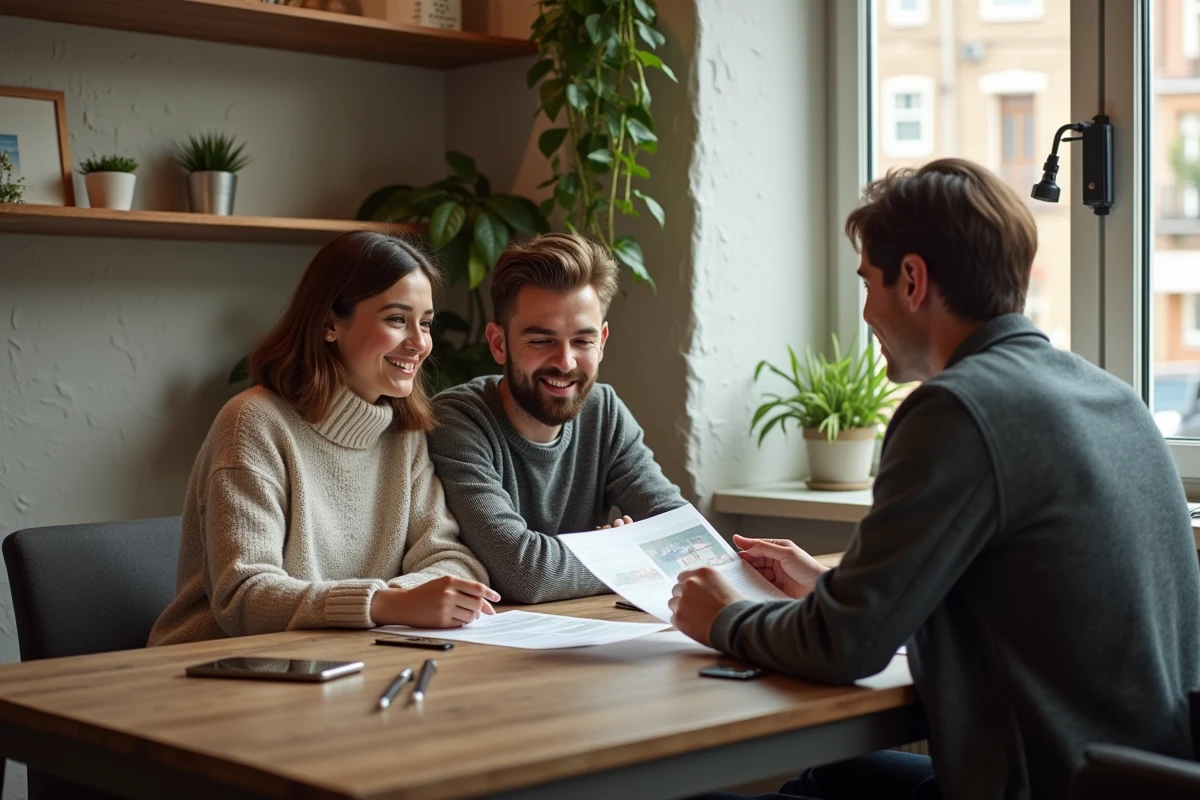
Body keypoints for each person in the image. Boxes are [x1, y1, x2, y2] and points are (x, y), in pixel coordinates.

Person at [668, 158, 1200, 800]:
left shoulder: (959, 409)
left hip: (1045, 788)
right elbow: (1020, 597)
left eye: (869, 283)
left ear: (913, 279)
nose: (865, 312)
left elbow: (845, 648)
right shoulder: (1113, 398)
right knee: (832, 779)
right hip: (1128, 782)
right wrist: (833, 588)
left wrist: (724, 616)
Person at [149, 232, 498, 646]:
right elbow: (243, 595)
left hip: (340, 656)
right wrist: (383, 604)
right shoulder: (253, 423)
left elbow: (453, 560)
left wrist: (398, 601)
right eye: (396, 320)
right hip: (215, 665)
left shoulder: (402, 436)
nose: (420, 343)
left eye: (425, 323)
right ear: (330, 323)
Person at [426, 232, 686, 604]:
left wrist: (616, 556)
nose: (565, 362)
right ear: (499, 343)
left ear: (603, 342)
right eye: (541, 340)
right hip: (492, 649)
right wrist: (621, 552)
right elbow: (525, 573)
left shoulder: (604, 412)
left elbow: (685, 537)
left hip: (584, 635)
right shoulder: (458, 421)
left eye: (583, 341)